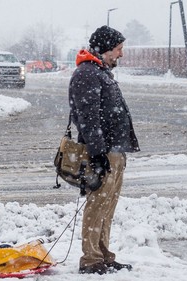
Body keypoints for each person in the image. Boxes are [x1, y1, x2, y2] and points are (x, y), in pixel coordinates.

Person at [68, 25, 140, 275]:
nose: (121, 54)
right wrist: (98, 154)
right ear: (106, 48)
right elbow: (87, 118)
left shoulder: (100, 72)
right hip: (103, 153)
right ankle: (91, 259)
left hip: (114, 151)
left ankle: (103, 254)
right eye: (119, 49)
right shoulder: (87, 73)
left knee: (107, 206)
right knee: (98, 205)